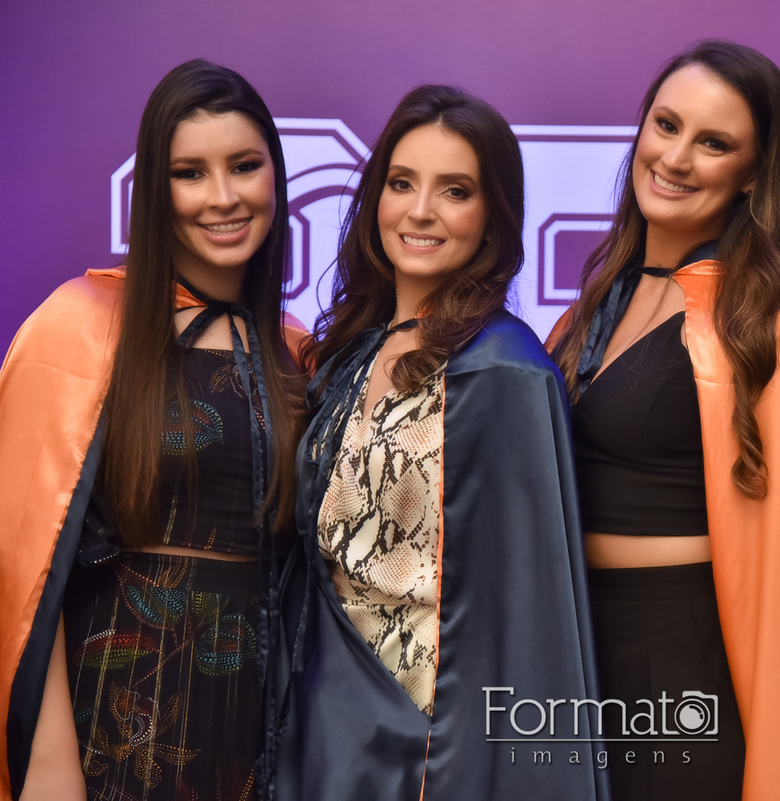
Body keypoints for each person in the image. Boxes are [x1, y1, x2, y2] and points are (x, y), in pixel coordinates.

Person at [548, 41, 780, 801]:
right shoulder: (596, 303)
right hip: (577, 645)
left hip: (679, 658)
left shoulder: (762, 327)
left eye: (714, 143)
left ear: (753, 174)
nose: (676, 157)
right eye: (666, 125)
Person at [271, 84, 606, 801]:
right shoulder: (349, 355)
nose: (420, 210)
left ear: (493, 217)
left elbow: (525, 620)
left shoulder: (504, 372)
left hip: (425, 750)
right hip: (322, 733)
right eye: (401, 183)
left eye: (455, 191)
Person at [0, 59, 305, 801]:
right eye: (189, 173)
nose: (223, 197)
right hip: (115, 719)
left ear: (275, 175)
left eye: (244, 166)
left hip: (267, 731)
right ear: (153, 194)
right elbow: (22, 569)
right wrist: (48, 766)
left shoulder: (298, 353)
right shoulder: (77, 326)